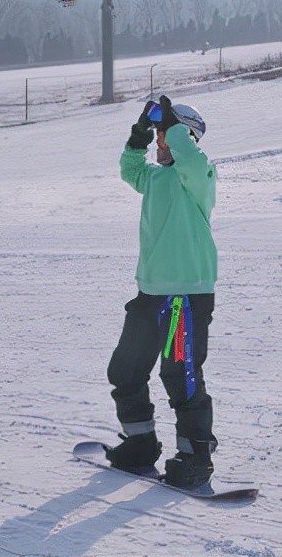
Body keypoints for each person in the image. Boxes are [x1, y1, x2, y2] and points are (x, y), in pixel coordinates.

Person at [107, 95, 218, 489]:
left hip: (184, 299)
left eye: (165, 135)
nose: (160, 142)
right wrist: (138, 136)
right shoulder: (155, 178)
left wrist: (173, 127)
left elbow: (190, 160)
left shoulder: (200, 176)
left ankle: (195, 456)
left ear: (185, 136)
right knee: (125, 370)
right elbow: (129, 169)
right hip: (150, 293)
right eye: (157, 135)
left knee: (180, 376)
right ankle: (140, 445)